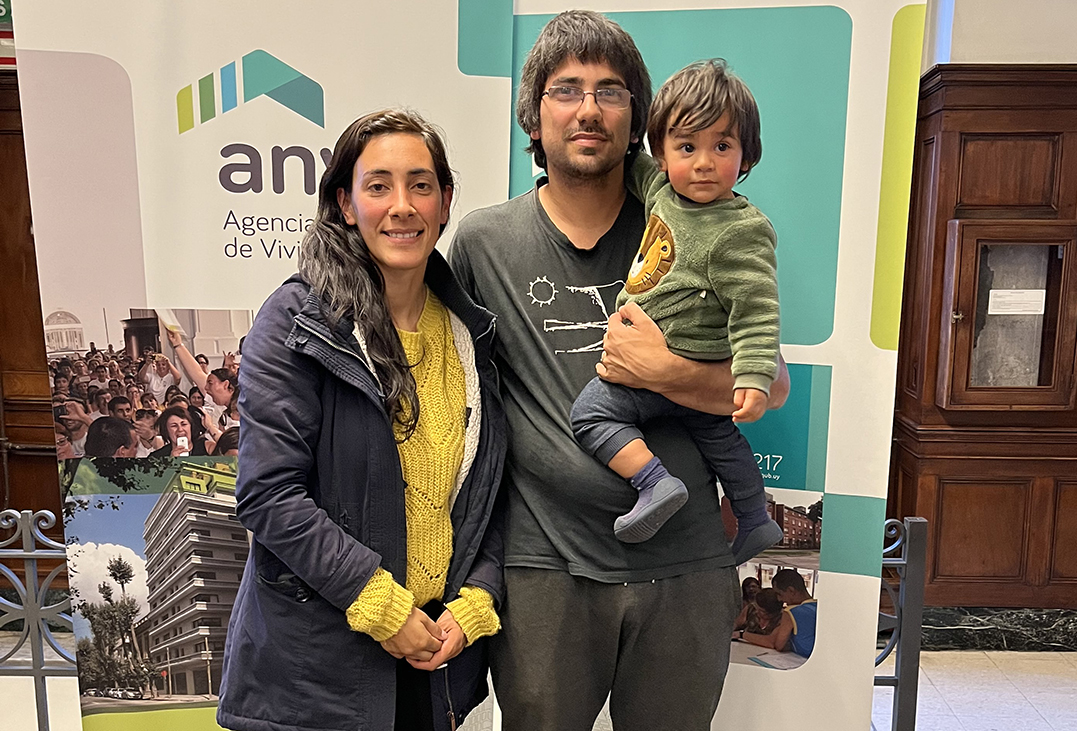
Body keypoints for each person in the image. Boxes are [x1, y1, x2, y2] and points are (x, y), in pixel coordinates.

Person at [448, 11, 788, 730]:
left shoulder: (698, 216)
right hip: (546, 569)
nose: (589, 108)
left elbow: (772, 384)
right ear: (534, 116)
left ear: (638, 118)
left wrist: (666, 370)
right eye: (566, 89)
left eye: (611, 90)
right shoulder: (483, 241)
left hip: (688, 565)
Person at [218, 109, 507, 731]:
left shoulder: (470, 336)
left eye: (420, 185)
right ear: (347, 204)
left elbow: (487, 498)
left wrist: (477, 600)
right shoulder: (298, 322)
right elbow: (269, 497)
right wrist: (379, 604)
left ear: (445, 202)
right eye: (378, 186)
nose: (401, 205)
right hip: (318, 671)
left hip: (433, 665)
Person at [570, 59, 782, 561]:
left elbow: (757, 310)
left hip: (682, 366)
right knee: (720, 439)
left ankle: (654, 482)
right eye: (687, 147)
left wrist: (752, 377)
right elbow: (630, 158)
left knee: (590, 413)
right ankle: (754, 518)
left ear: (746, 155)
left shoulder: (740, 229)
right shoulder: (662, 191)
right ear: (662, 154)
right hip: (667, 373)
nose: (704, 162)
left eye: (722, 147)